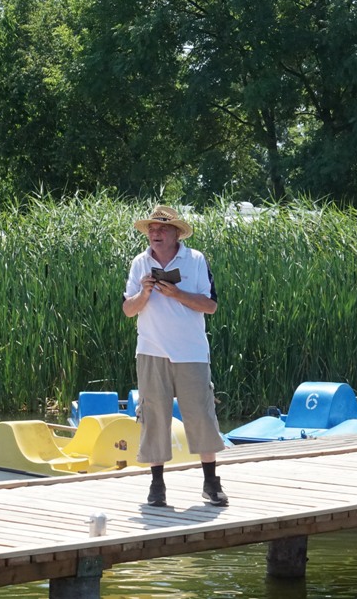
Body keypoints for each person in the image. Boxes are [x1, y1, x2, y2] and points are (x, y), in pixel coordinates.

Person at [122, 205, 229, 506]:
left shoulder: (196, 260)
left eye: (162, 229)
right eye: (151, 229)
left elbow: (211, 306)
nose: (155, 233)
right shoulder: (139, 263)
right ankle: (157, 486)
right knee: (154, 417)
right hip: (151, 351)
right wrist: (144, 293)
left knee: (201, 416)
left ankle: (211, 483)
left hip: (192, 352)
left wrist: (176, 293)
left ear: (176, 233)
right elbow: (127, 310)